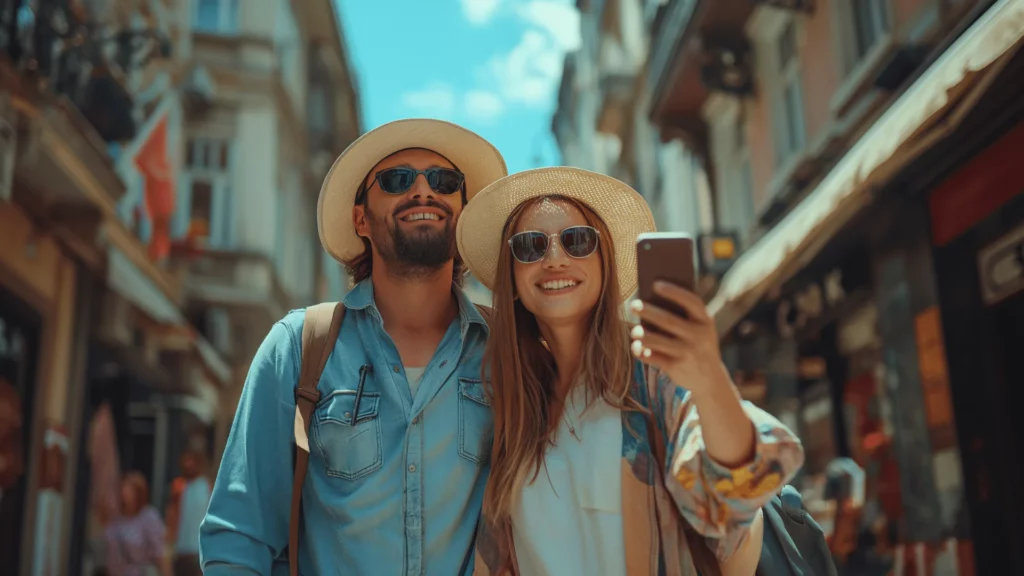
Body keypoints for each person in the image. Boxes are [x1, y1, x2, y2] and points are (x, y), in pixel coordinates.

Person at [455, 167, 805, 575]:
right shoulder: (514, 410)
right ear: (512, 279)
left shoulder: (653, 375)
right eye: (530, 246)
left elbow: (735, 497)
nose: (554, 259)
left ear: (605, 265)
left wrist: (709, 379)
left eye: (577, 241)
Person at [199, 119, 507, 575]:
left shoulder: (507, 351)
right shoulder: (298, 347)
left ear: (462, 212)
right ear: (360, 218)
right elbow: (238, 537)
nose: (424, 191)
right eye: (397, 179)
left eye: (444, 181)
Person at [104, 471, 171, 576]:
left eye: (128, 490)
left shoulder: (148, 517)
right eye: (122, 488)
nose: (123, 493)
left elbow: (159, 553)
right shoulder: (115, 519)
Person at [170, 450, 211, 576]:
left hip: (198, 552)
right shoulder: (179, 486)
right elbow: (172, 516)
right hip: (181, 550)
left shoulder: (207, 486)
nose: (188, 465)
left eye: (191, 461)